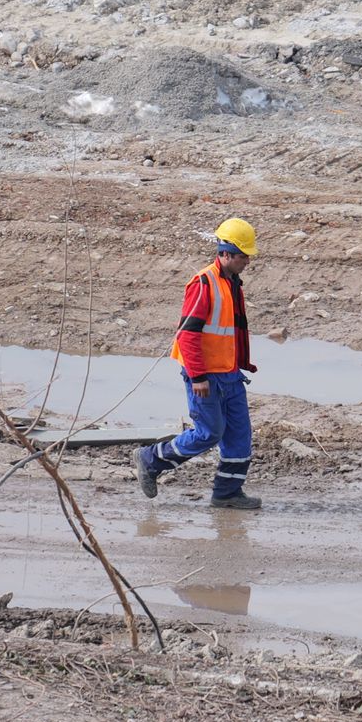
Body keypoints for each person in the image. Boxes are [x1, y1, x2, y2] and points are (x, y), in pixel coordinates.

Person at [132, 217, 262, 510]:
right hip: (205, 376)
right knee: (209, 432)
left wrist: (240, 365)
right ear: (225, 253)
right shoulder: (204, 283)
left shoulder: (232, 284)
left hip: (229, 374)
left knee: (239, 435)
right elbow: (188, 335)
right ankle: (150, 459)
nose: (247, 262)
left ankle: (227, 493)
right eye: (243, 256)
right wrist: (198, 376)